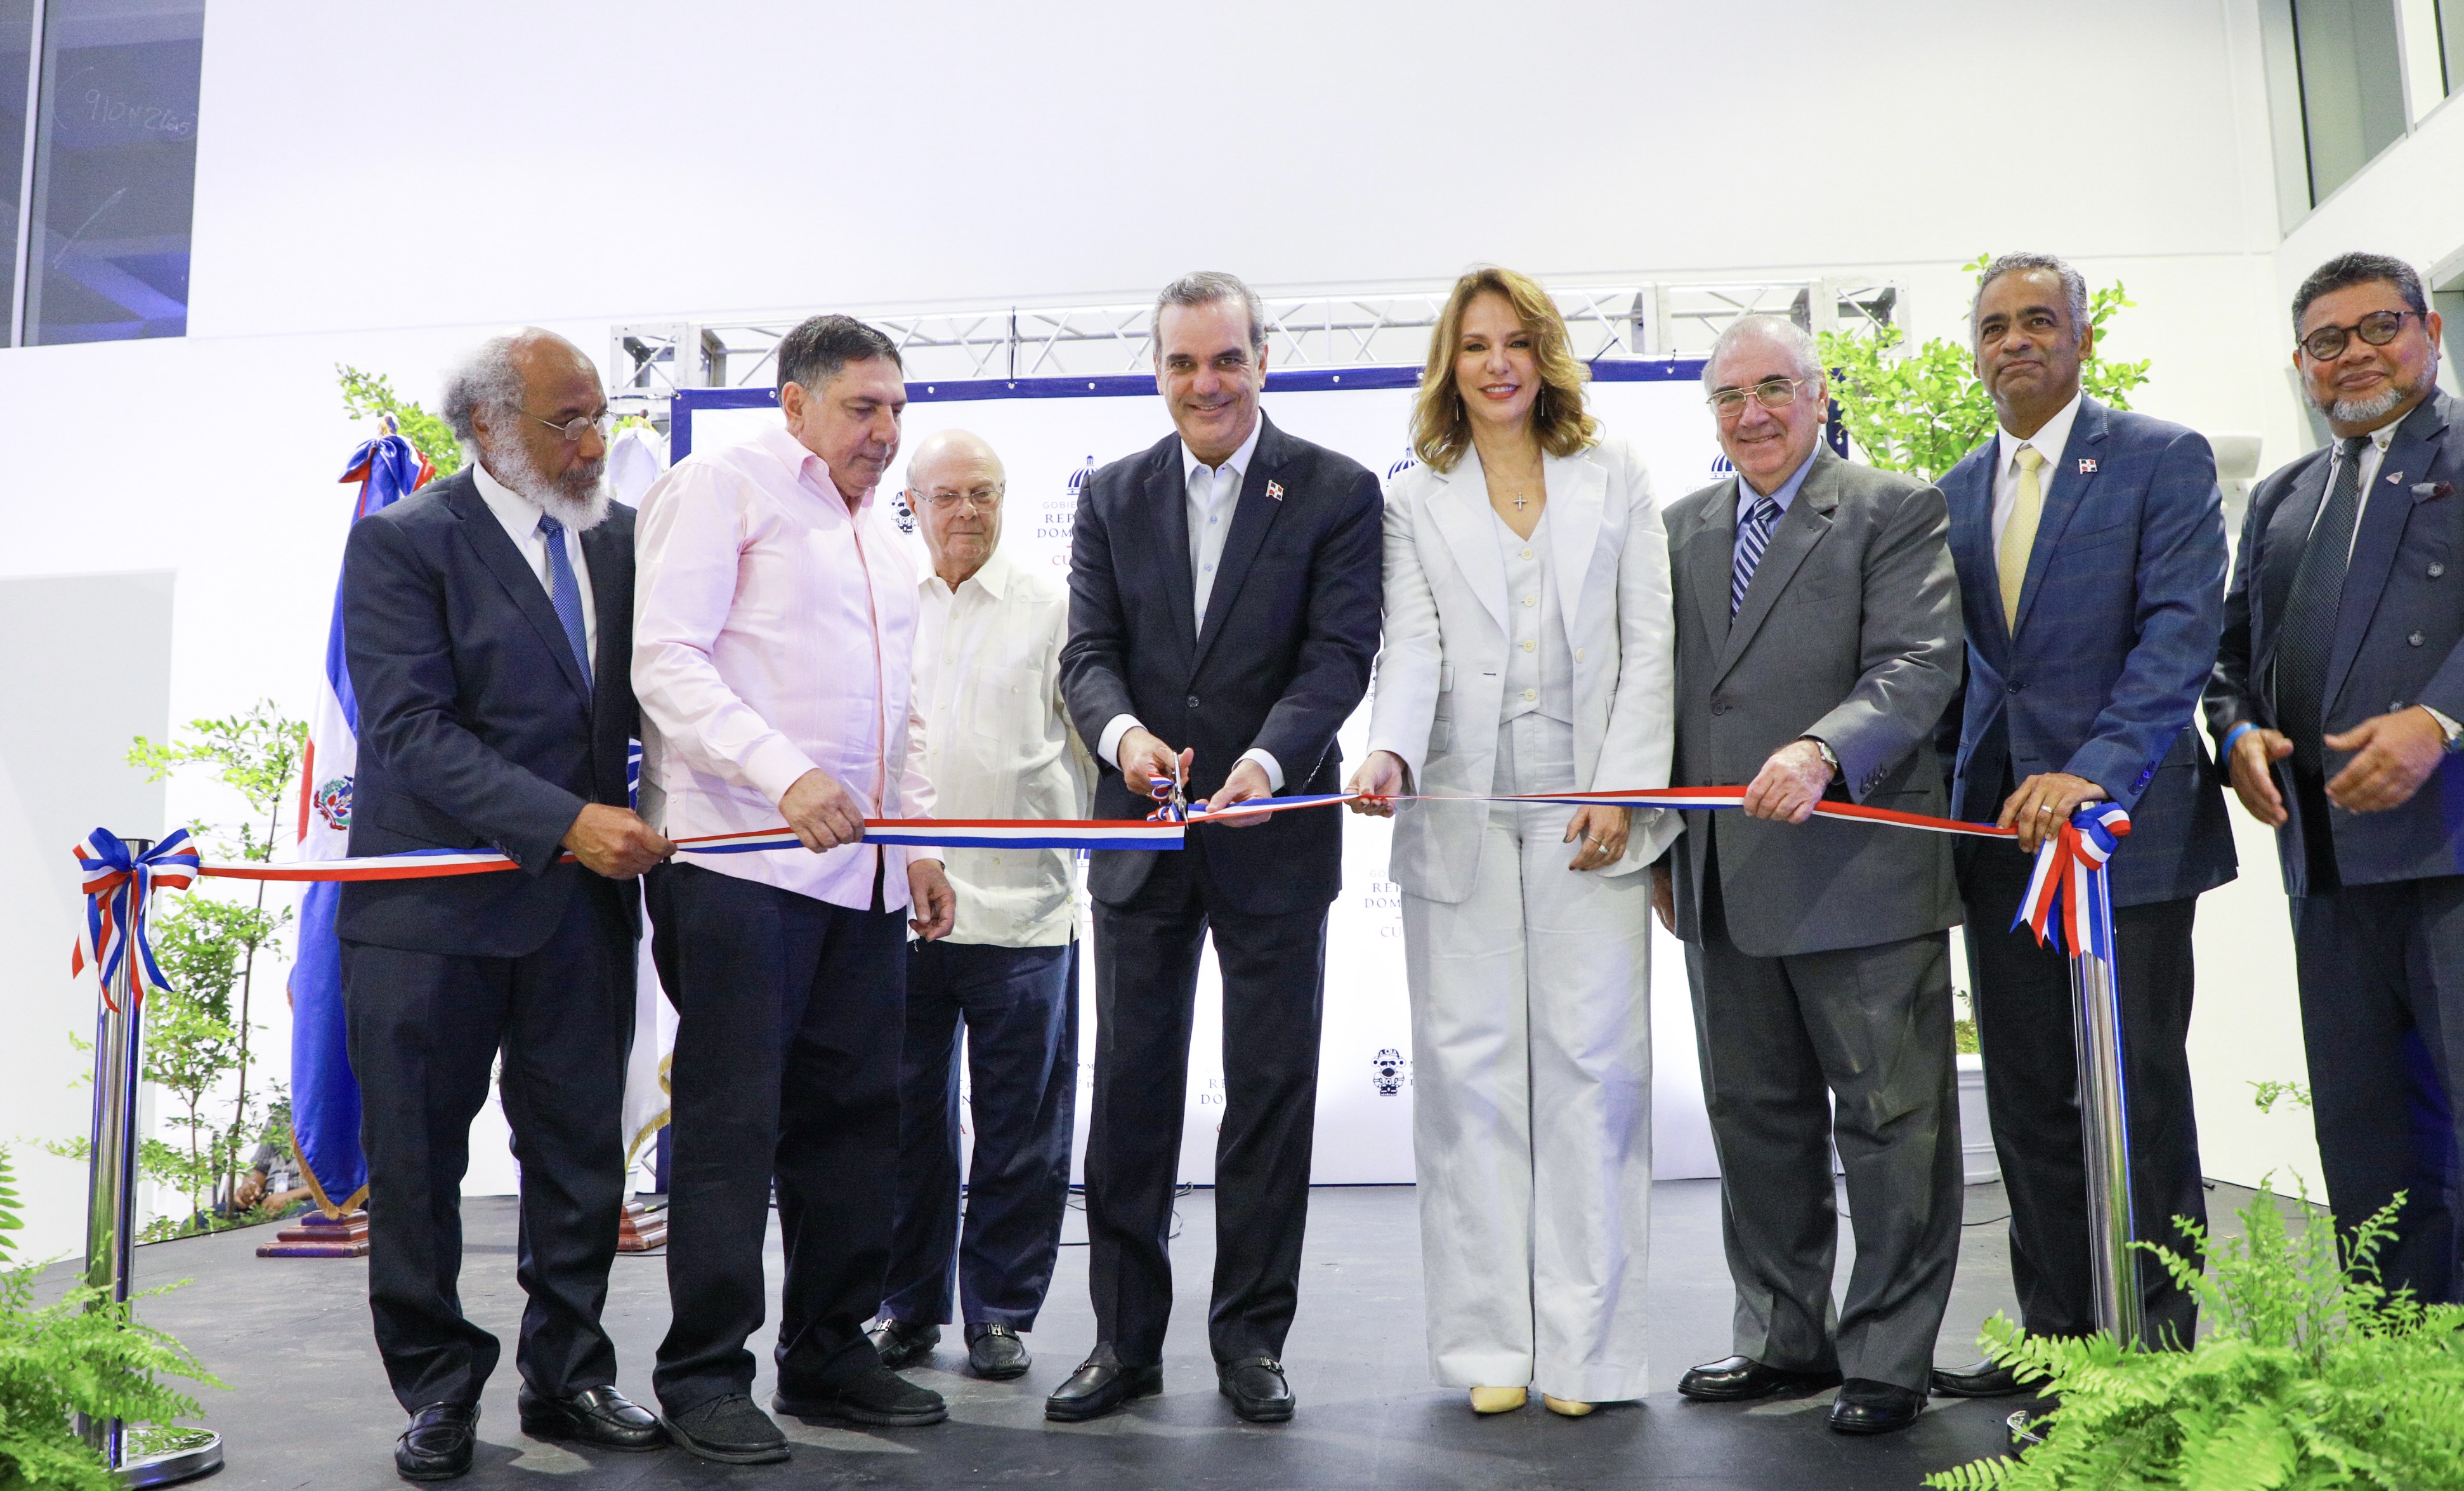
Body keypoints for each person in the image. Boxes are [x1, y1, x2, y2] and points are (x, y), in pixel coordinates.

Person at [1050, 270, 1382, 1425]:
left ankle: (1251, 1341)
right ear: (1158, 370)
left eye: (1227, 358)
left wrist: (1271, 763)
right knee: (1129, 1094)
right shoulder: (1110, 494)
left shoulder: (1338, 490)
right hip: (1141, 836)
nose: (1207, 383)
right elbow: (1088, 655)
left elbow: (1339, 657)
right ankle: (1122, 1342)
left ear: (1262, 359)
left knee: (1270, 1094)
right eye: (1184, 362)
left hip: (1273, 833)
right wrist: (1125, 737)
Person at [337, 327, 671, 1480]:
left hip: (580, 915)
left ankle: (569, 1371)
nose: (594, 444)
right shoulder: (403, 542)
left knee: (580, 1158)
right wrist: (565, 820)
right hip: (429, 918)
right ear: (487, 427)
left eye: (599, 416)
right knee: (418, 1166)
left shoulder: (624, 541)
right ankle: (437, 1386)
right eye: (565, 422)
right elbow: (409, 730)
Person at [1345, 266, 1676, 1418]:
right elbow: (1413, 646)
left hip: (1592, 811)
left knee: (1598, 1078)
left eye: (1516, 343)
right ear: (1452, 364)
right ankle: (1491, 1345)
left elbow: (1650, 644)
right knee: (1469, 1081)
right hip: (1462, 809)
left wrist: (1622, 787)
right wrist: (1389, 752)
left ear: (1545, 357)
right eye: (1476, 345)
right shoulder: (1414, 499)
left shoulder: (1616, 471)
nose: (1497, 364)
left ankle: (1589, 1355)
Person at [633, 314, 958, 1462]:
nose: (885, 430)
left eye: (897, 409)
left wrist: (919, 843)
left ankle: (827, 1349)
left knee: (856, 1124)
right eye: (863, 407)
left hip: (862, 881)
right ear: (795, 403)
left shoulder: (885, 536)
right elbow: (666, 660)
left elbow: (899, 710)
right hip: (741, 866)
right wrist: (785, 773)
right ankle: (704, 1373)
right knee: (733, 1126)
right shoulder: (722, 487)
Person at [1652, 313, 1965, 1436]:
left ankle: (1888, 1355)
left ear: (1819, 395)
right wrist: (1664, 850)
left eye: (1773, 389)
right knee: (1755, 1121)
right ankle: (1785, 1338)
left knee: (1892, 1126)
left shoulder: (1893, 508)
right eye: (1730, 396)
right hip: (1722, 880)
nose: (1753, 415)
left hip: (1859, 873)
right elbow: (1664, 696)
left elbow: (1921, 662)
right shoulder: (1678, 528)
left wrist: (1825, 749)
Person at [1931, 253, 2237, 1391]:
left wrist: (2090, 775)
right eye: (1995, 325)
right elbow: (1964, 673)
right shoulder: (1955, 489)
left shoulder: (2161, 457)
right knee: (2028, 1103)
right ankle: (2056, 1345)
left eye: (2038, 320)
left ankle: (2151, 1355)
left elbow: (2179, 637)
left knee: (2137, 1097)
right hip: (1998, 845)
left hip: (2122, 841)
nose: (2015, 340)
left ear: (2081, 338)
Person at [2206, 251, 2464, 1303]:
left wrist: (2440, 719)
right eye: (2327, 340)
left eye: (2379, 327)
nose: (2353, 353)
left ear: (2430, 332)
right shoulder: (2285, 494)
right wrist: (2236, 734)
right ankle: (2397, 1361)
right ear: (2302, 362)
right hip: (2322, 862)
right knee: (2366, 1141)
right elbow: (2231, 656)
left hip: (2452, 847)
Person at [870, 430, 1094, 1382]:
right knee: (903, 1123)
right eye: (949, 494)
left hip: (1025, 911)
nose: (968, 510)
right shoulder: (880, 598)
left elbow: (1090, 739)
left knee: (1022, 1130)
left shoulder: (1056, 607)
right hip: (899, 910)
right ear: (912, 504)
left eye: (985, 493)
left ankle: (1000, 1312)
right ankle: (907, 1305)